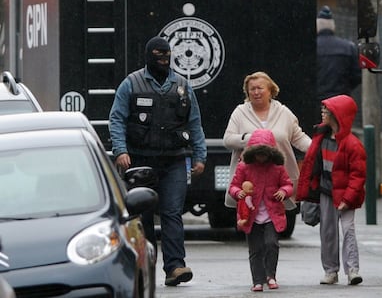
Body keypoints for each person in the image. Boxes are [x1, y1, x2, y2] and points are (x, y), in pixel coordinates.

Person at [109, 36, 207, 286]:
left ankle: (175, 267)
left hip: (175, 160)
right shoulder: (131, 84)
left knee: (172, 213)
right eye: (158, 55)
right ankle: (145, 267)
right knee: (143, 216)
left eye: (166, 55)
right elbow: (117, 119)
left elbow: (194, 123)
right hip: (141, 160)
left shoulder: (182, 86)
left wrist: (200, 156)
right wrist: (120, 151)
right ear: (147, 56)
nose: (163, 59)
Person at [296, 94, 366, 286]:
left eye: (327, 110)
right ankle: (330, 271)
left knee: (348, 230)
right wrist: (311, 190)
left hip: (345, 195)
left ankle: (352, 270)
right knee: (327, 232)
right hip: (326, 192)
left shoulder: (352, 144)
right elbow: (313, 164)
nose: (323, 113)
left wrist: (347, 199)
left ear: (338, 114)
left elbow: (358, 176)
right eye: (323, 110)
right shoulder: (320, 137)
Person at [223, 71, 311, 211]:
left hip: (278, 181)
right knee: (249, 222)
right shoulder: (240, 112)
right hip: (249, 181)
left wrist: (317, 148)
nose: (256, 92)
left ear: (270, 90)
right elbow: (228, 140)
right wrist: (251, 138)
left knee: (276, 223)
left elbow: (299, 137)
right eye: (252, 89)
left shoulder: (284, 112)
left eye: (260, 88)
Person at [228, 129, 293, 291]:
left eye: (264, 154)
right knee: (255, 249)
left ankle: (270, 275)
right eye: (258, 154)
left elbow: (287, 184)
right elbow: (233, 186)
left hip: (272, 213)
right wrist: (238, 193)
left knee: (272, 244)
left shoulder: (277, 168)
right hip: (250, 215)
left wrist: (283, 191)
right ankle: (257, 280)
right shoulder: (244, 167)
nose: (261, 158)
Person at [316, 5, 361, 122]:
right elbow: (357, 76)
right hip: (340, 102)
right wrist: (344, 88)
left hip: (316, 103)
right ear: (333, 26)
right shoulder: (348, 47)